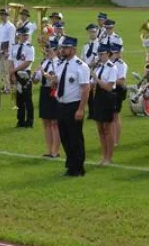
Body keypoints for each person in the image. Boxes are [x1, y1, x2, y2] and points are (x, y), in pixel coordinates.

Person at [54, 36, 90, 176]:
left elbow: (86, 89)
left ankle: (78, 167)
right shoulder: (61, 64)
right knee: (64, 136)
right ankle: (70, 164)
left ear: (73, 49)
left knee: (75, 137)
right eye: (62, 47)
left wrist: (81, 109)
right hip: (61, 104)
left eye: (66, 48)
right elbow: (60, 81)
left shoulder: (81, 66)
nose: (63, 50)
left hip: (73, 105)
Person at [88, 44, 119, 165]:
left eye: (102, 54)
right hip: (98, 97)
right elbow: (91, 84)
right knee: (100, 128)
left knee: (107, 129)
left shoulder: (112, 68)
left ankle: (109, 157)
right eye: (99, 54)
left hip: (107, 97)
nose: (100, 56)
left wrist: (96, 79)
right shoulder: (98, 67)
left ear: (108, 54)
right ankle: (103, 155)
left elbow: (109, 87)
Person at [35, 39, 61, 157]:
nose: (47, 52)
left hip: (54, 91)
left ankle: (56, 151)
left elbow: (57, 80)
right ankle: (49, 150)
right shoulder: (44, 62)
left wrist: (46, 75)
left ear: (55, 50)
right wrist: (34, 75)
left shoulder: (59, 63)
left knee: (55, 122)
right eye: (46, 50)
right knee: (46, 122)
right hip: (45, 91)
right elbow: (36, 81)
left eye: (49, 49)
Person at [10, 28, 35, 128]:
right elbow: (11, 60)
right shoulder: (14, 47)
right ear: (18, 36)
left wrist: (14, 70)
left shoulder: (30, 47)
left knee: (27, 98)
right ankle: (20, 120)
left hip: (24, 74)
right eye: (22, 35)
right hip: (15, 73)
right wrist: (12, 74)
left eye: (26, 35)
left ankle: (29, 121)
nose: (25, 37)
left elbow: (28, 62)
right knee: (18, 98)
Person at [109, 43, 128, 147]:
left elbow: (121, 81)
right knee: (109, 116)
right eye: (112, 52)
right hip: (107, 91)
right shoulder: (106, 63)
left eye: (116, 52)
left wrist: (109, 80)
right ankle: (110, 138)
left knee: (115, 116)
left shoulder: (121, 64)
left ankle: (116, 140)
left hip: (116, 91)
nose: (114, 54)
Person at [0, 9, 16, 94]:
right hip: (0, 49)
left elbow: (12, 40)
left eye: (3, 15)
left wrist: (9, 51)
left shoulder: (11, 26)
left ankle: (8, 87)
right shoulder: (0, 26)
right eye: (1, 15)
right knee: (2, 70)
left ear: (7, 16)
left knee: (7, 69)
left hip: (6, 48)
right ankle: (5, 85)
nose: (2, 16)